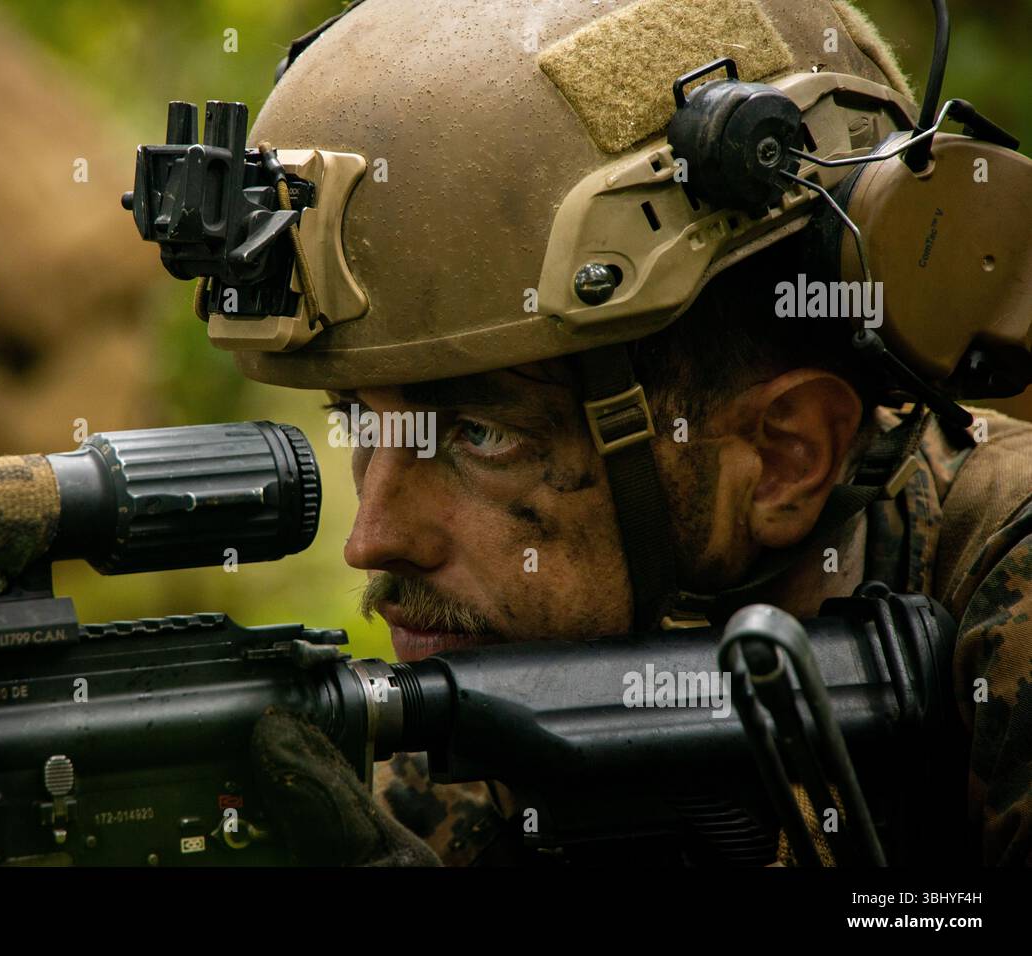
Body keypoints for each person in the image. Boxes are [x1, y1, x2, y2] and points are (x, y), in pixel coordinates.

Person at [219, 0, 1032, 865]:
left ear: (784, 458)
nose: (373, 539)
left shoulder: (1008, 589)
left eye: (481, 437)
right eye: (358, 419)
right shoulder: (465, 720)